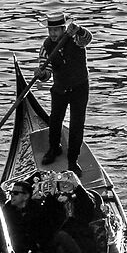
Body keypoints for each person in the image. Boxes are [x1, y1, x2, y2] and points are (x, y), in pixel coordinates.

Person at [29, 14, 92, 170]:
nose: (53, 34)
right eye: (50, 30)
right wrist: (41, 74)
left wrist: (79, 29)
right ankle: (54, 148)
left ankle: (72, 160)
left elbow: (88, 38)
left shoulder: (76, 39)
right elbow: (47, 72)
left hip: (80, 87)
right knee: (55, 120)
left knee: (77, 124)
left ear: (64, 29)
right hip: (59, 88)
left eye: (56, 30)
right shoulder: (46, 46)